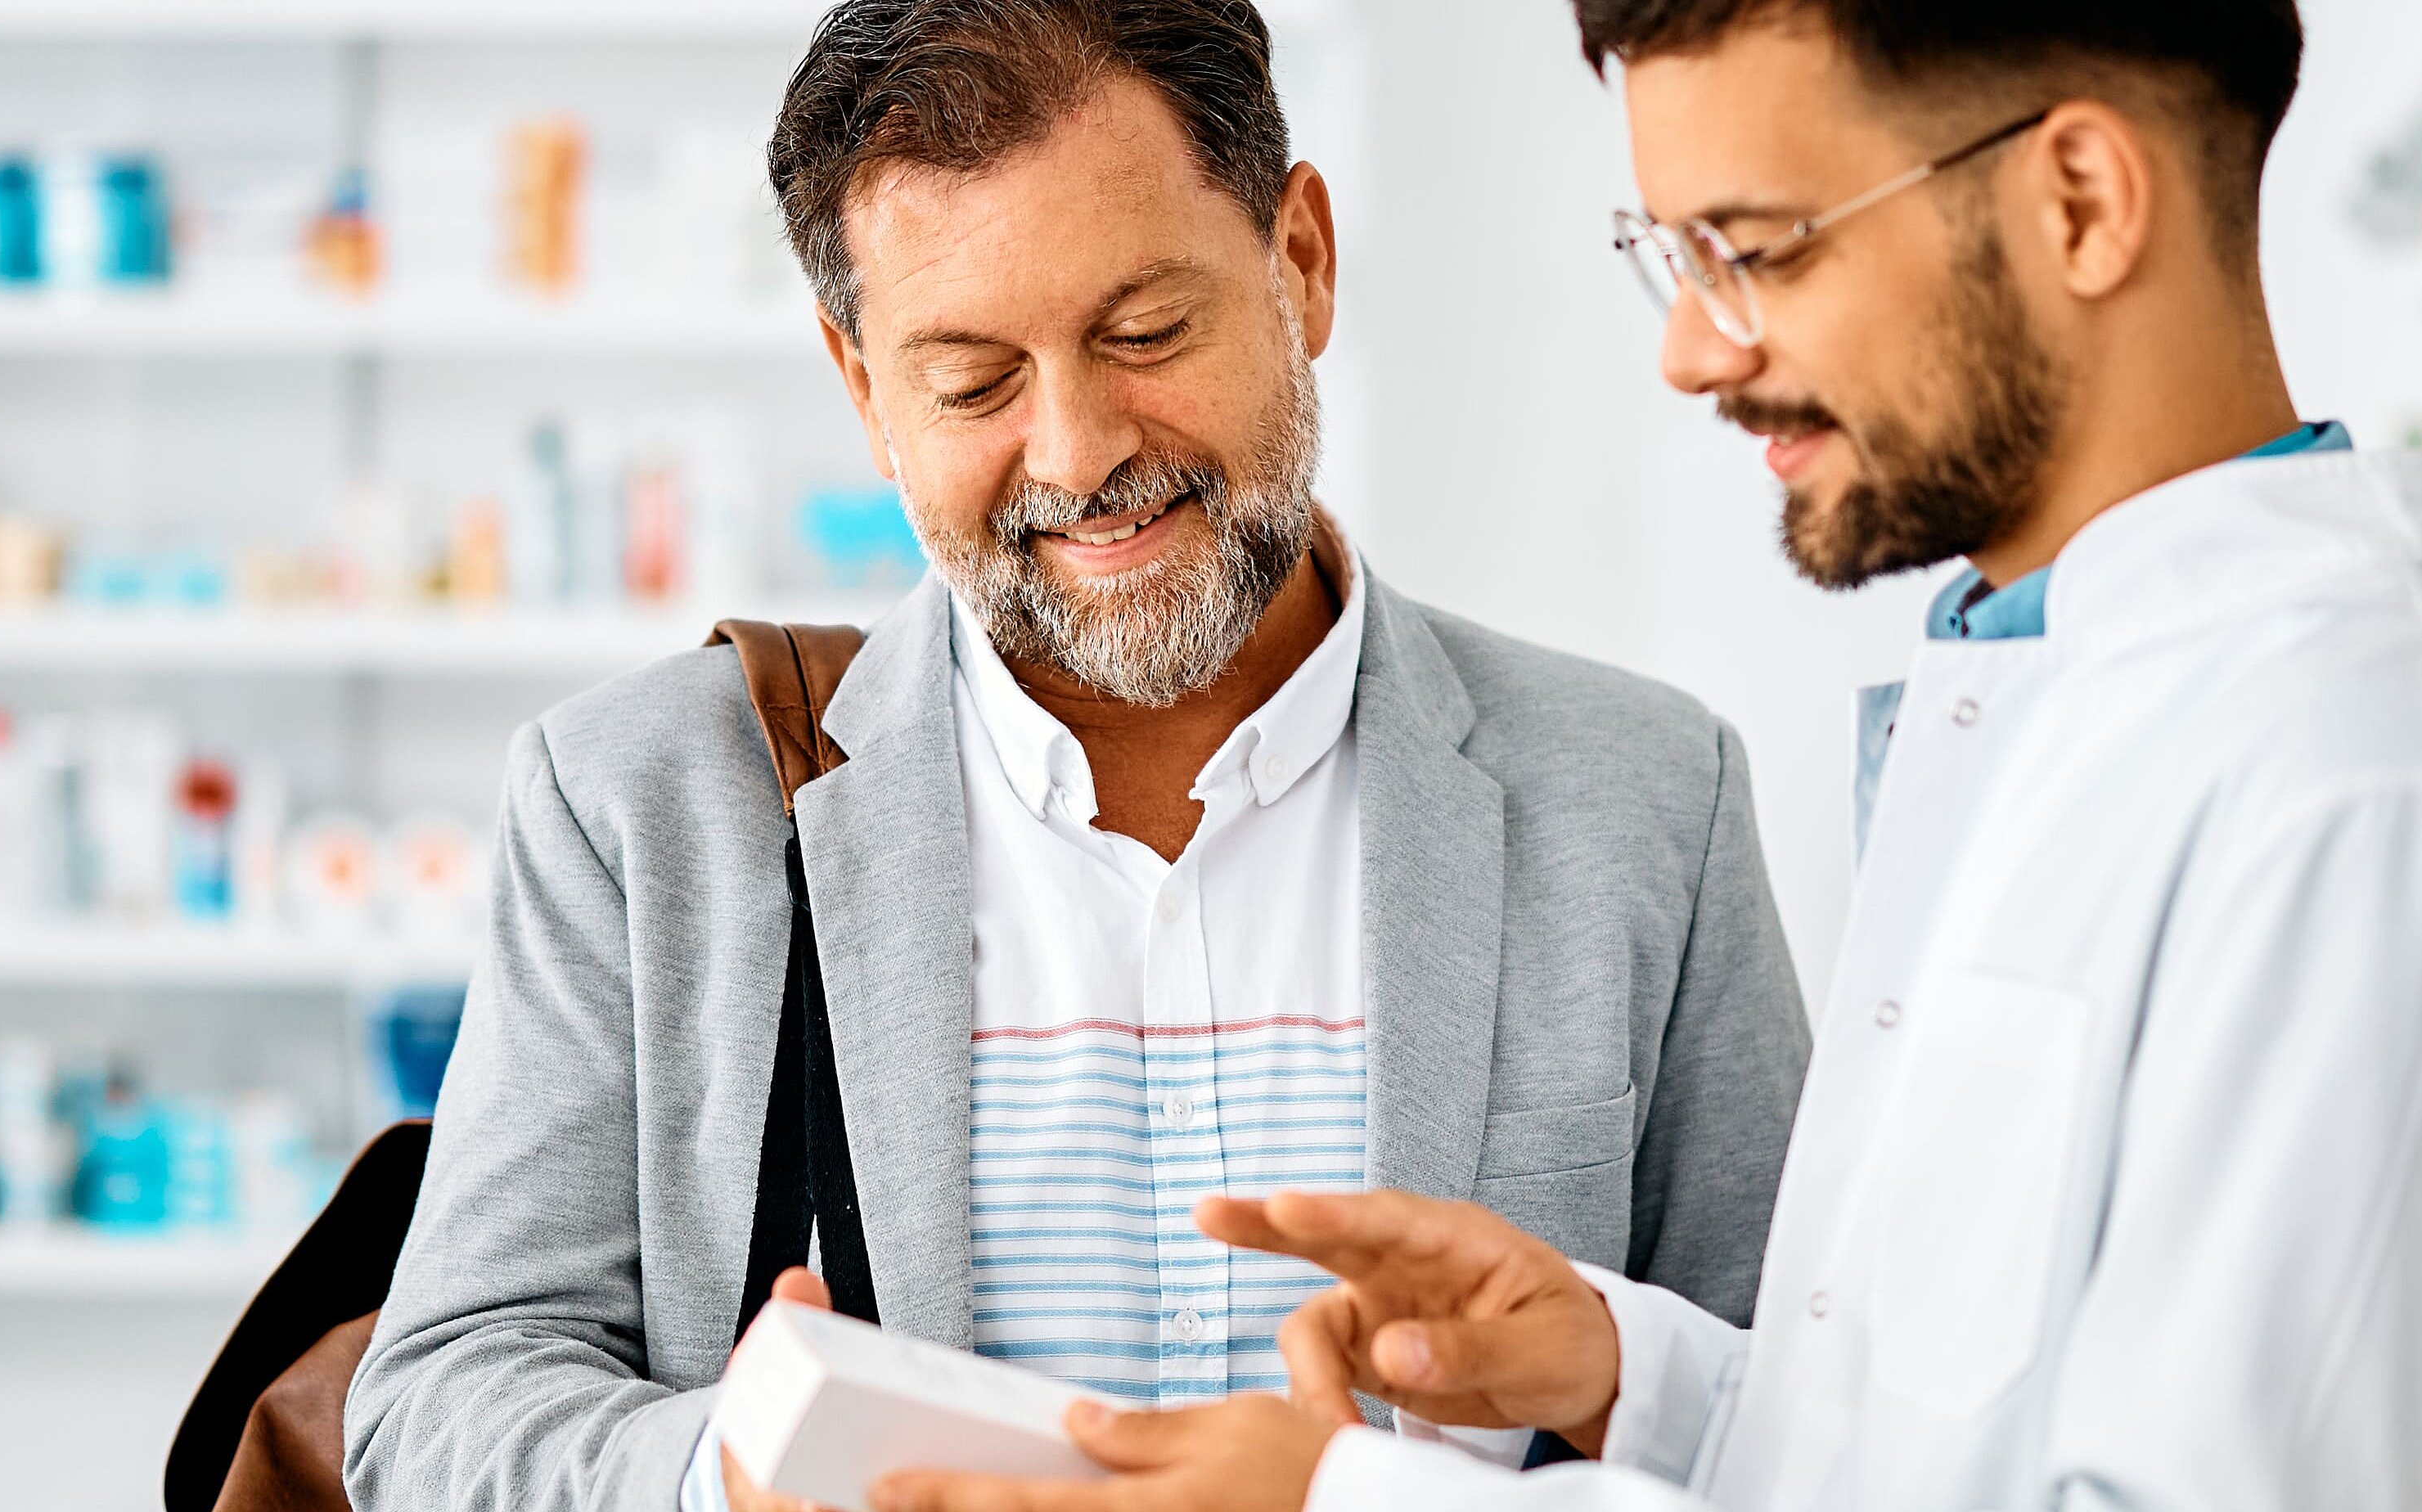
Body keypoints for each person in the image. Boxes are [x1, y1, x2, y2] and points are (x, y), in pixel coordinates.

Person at [864, 2, 2422, 1510]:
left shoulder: (2370, 804)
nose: (1690, 350)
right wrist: (1629, 1375)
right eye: (1675, 256)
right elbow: (1949, 1455)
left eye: (1760, 247)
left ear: (2079, 200)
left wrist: (1346, 1499)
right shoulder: (2065, 707)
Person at [342, 2, 1815, 1509]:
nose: (1077, 453)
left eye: (1145, 334)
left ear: (1301, 261)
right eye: (973, 382)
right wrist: (724, 1478)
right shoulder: (635, 807)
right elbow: (435, 1414)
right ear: (864, 387)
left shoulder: (1647, 798)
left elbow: (1806, 1421)